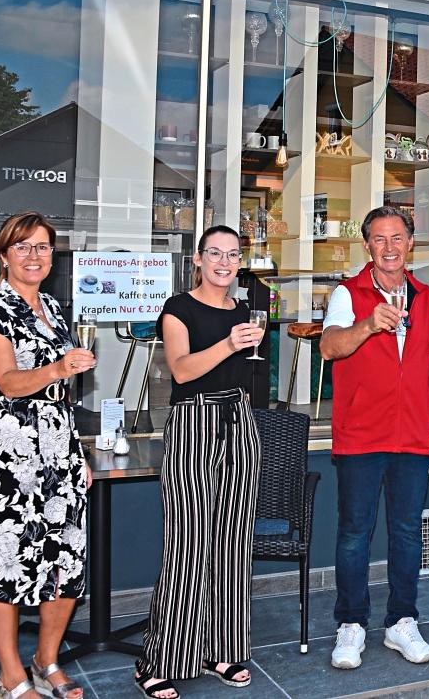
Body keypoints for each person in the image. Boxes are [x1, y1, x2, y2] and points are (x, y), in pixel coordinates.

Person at [0, 211, 95, 699]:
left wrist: (77, 455)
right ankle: (11, 677)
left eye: (43, 247)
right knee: (7, 558)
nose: (34, 256)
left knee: (65, 556)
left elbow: (61, 397)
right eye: (24, 247)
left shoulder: (53, 308)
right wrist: (59, 367)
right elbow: (8, 382)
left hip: (57, 443)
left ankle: (46, 659)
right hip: (8, 448)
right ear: (4, 255)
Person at [319, 206, 429, 670]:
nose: (390, 247)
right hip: (360, 434)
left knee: (407, 533)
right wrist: (367, 325)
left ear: (411, 242)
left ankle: (402, 622)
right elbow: (329, 347)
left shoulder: (426, 297)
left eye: (398, 237)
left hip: (414, 435)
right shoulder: (347, 293)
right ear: (367, 246)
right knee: (355, 534)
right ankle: (351, 624)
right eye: (380, 239)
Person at [134, 225, 264, 699]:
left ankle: (221, 650)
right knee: (188, 543)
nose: (224, 263)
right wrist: (230, 344)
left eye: (233, 255)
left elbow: (245, 372)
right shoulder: (178, 308)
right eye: (215, 254)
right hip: (194, 422)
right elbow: (183, 370)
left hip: (239, 420)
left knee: (232, 541)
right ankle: (157, 659)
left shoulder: (244, 308)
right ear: (197, 258)